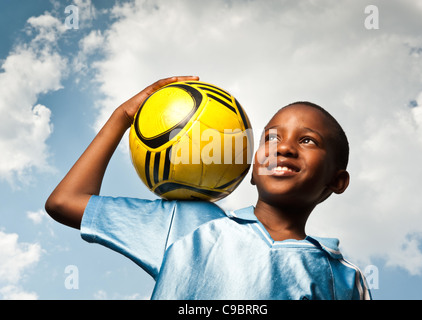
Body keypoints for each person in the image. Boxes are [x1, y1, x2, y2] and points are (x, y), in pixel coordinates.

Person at [45, 76, 371, 300]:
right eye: (271, 138)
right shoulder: (188, 223)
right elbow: (65, 201)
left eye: (307, 140)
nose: (283, 148)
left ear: (336, 181)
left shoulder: (343, 277)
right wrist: (122, 116)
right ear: (251, 168)